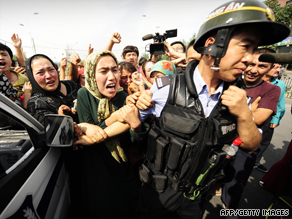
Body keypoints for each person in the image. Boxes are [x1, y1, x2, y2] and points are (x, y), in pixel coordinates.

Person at [134, 1, 290, 218]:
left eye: (254, 50)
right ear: (212, 44)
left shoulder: (238, 97)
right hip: (156, 197)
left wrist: (245, 114)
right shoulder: (166, 88)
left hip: (197, 201)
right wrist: (136, 103)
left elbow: (252, 146)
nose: (250, 59)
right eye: (246, 46)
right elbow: (132, 125)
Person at [75, 50, 149, 219]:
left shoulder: (124, 96)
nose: (112, 76)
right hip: (96, 169)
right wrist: (115, 118)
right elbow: (89, 132)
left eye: (114, 70)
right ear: (92, 75)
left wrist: (136, 126)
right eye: (103, 71)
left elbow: (134, 140)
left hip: (122, 166)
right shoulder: (84, 95)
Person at [221, 48, 281, 211]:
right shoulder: (230, 81)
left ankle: (229, 208)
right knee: (216, 172)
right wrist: (250, 110)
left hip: (247, 143)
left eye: (262, 66)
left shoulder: (272, 89)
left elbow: (260, 118)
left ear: (270, 68)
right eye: (251, 64)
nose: (254, 70)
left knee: (235, 183)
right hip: (222, 138)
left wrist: (242, 110)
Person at [25, 54, 79, 125]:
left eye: (51, 70)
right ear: (31, 78)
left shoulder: (71, 86)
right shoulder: (36, 104)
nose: (48, 76)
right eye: (40, 72)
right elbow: (57, 128)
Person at [255, 62, 286, 172]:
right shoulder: (254, 79)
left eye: (280, 67)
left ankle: (256, 162)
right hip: (251, 114)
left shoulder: (280, 84)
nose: (279, 70)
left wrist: (276, 118)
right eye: (275, 67)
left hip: (269, 117)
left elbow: (280, 104)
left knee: (264, 142)